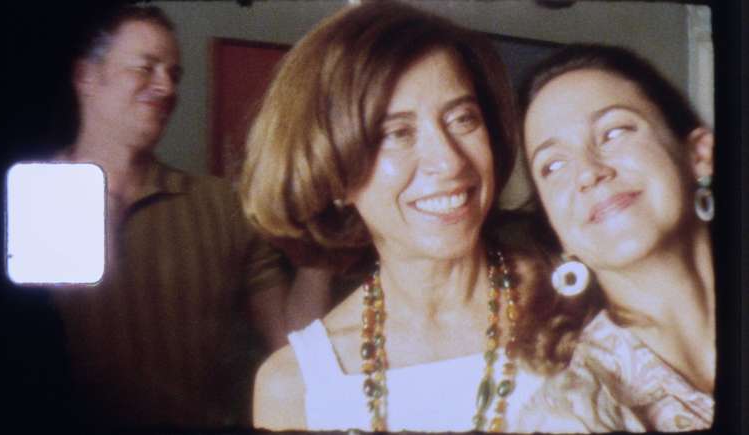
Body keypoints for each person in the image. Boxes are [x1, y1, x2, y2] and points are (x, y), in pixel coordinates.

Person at [240, 2, 577, 432]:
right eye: (398, 133)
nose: (449, 161)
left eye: (463, 119)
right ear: (334, 174)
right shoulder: (293, 388)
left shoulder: (574, 307)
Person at [49, 5, 291, 428]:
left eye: (174, 74)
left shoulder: (222, 206)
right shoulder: (28, 201)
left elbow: (290, 346)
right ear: (86, 77)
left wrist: (320, 257)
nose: (166, 87)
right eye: (145, 68)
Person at [517, 44, 715, 432]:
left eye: (613, 132)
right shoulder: (569, 416)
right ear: (557, 229)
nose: (588, 172)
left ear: (699, 155)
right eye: (553, 165)